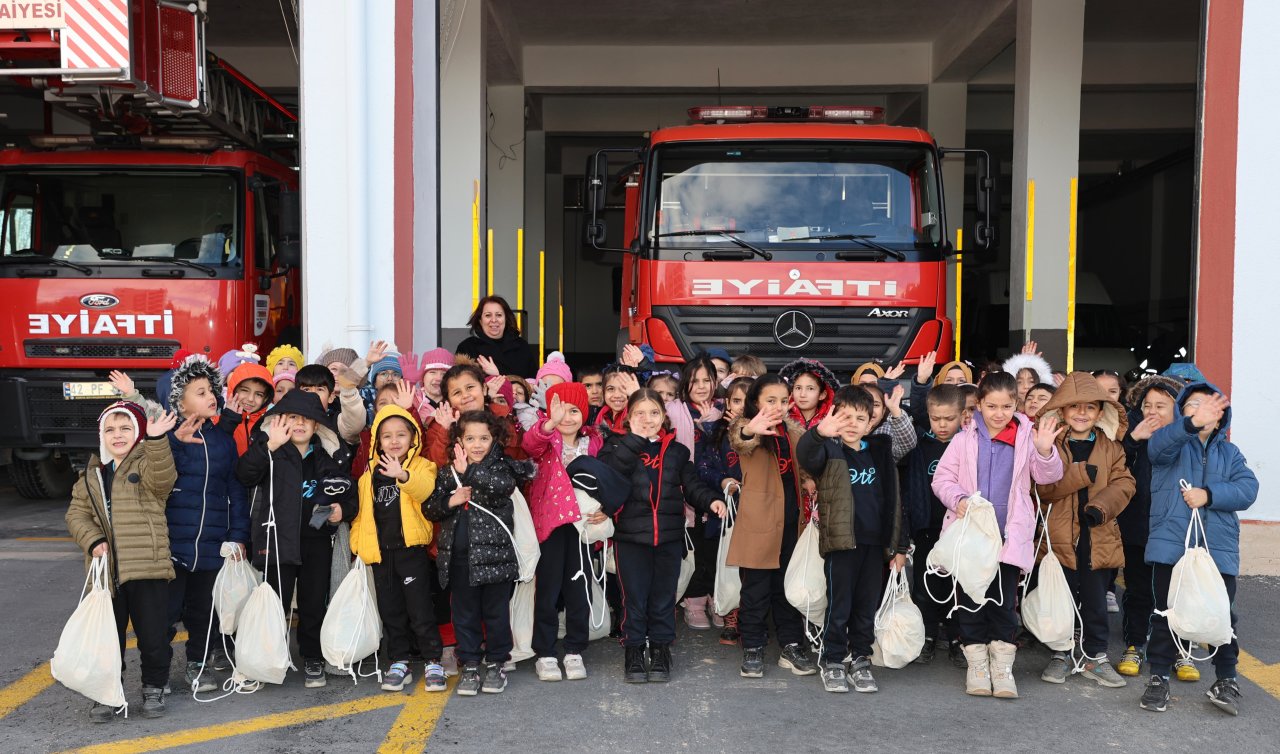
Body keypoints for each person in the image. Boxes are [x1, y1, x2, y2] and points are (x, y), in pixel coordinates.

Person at [931, 371, 1064, 699]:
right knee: (970, 602)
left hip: (1009, 535)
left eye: (1006, 406)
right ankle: (977, 665)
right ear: (980, 404)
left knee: (1004, 603)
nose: (999, 413)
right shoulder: (965, 438)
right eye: (992, 406)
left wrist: (1046, 451)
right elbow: (942, 479)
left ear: (1015, 404)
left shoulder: (1027, 437)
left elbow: (1048, 476)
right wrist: (958, 499)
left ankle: (1002, 669)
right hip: (971, 536)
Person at [1140, 384, 1258, 716]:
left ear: (1222, 416)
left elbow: (1248, 489)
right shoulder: (1170, 443)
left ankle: (1226, 679)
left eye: (1208, 406)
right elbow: (1158, 450)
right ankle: (1159, 677)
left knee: (1223, 617)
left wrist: (1209, 494)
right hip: (1171, 545)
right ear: (1182, 413)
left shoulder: (1230, 453)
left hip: (1217, 549)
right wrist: (1189, 425)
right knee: (1165, 614)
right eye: (1192, 406)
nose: (1201, 411)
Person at [597, 389, 727, 683]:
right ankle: (633, 651)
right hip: (630, 538)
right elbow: (609, 475)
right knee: (635, 598)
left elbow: (692, 486)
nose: (647, 419)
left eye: (654, 413)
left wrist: (711, 501)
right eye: (639, 413)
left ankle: (660, 650)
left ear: (664, 417)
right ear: (628, 418)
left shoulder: (677, 451)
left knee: (663, 598)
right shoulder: (616, 446)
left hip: (668, 538)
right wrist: (634, 441)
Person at [66, 401, 180, 721]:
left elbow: (163, 479)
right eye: (110, 430)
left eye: (126, 428)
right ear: (101, 436)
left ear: (138, 432)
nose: (118, 435)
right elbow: (77, 514)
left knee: (154, 637)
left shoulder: (147, 463)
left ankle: (154, 687)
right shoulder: (91, 475)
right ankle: (107, 693)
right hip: (107, 573)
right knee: (106, 639)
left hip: (148, 567)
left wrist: (156, 440)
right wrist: (93, 540)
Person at [236, 389, 356, 689]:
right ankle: (267, 659)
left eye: (307, 419)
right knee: (273, 602)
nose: (299, 424)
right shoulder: (271, 449)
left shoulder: (328, 455)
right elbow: (244, 474)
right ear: (278, 421)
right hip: (276, 538)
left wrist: (344, 510)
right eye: (291, 418)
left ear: (318, 425)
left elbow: (349, 494)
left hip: (316, 541)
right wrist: (270, 446)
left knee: (313, 602)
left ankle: (312, 657)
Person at [148, 355, 251, 693]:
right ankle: (158, 675)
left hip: (212, 543)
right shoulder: (167, 439)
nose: (211, 397)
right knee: (164, 615)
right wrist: (175, 443)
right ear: (179, 400)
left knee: (203, 613)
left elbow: (234, 490)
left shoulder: (221, 440)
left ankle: (199, 664)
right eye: (200, 391)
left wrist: (237, 536)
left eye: (211, 390)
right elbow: (156, 482)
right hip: (173, 545)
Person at [797, 385, 909, 693]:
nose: (852, 424)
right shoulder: (830, 451)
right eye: (844, 417)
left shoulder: (879, 452)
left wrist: (899, 546)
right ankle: (833, 660)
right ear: (834, 416)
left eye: (860, 418)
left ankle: (860, 658)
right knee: (840, 605)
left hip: (875, 544)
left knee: (865, 606)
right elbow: (804, 454)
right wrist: (820, 431)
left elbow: (896, 501)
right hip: (842, 544)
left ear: (870, 422)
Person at [1034, 372, 1136, 688]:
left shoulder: (1111, 447)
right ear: (1060, 411)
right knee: (1060, 600)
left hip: (1097, 536)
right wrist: (1079, 474)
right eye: (1074, 406)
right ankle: (1061, 653)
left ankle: (1095, 656)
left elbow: (1125, 483)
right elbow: (1041, 490)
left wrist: (1100, 507)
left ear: (1100, 412)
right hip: (1059, 538)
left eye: (1090, 408)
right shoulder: (1049, 445)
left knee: (1095, 602)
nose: (1081, 413)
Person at [424, 410, 535, 696]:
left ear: (494, 440)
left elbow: (503, 487)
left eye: (483, 438)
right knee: (465, 615)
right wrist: (451, 499)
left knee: (496, 614)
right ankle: (471, 664)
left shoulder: (500, 468)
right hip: (460, 561)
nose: (476, 444)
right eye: (470, 438)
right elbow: (430, 508)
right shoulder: (448, 472)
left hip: (496, 561)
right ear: (459, 440)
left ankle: (497, 662)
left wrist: (468, 473)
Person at [350, 405, 446, 693]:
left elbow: (425, 490)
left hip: (411, 551)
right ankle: (399, 660)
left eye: (401, 435)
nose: (394, 441)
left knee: (419, 608)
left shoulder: (421, 466)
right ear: (377, 442)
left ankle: (432, 660)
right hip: (381, 553)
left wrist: (402, 475)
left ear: (413, 438)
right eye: (387, 436)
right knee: (391, 609)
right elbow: (361, 516)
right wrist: (358, 545)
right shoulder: (368, 476)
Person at [728, 375, 818, 680]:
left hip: (792, 524)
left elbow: (805, 467)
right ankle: (752, 647)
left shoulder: (793, 432)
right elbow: (740, 439)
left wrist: (809, 480)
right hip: (759, 524)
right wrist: (750, 429)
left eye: (783, 400)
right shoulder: (748, 427)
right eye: (770, 400)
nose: (778, 407)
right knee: (755, 590)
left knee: (787, 589)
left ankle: (791, 645)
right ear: (756, 402)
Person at [522, 382, 602, 681]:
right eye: (561, 411)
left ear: (585, 413)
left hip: (582, 526)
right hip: (551, 525)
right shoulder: (547, 439)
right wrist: (549, 424)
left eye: (574, 411)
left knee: (578, 587)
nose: (568, 418)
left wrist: (607, 508)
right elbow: (530, 444)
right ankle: (544, 652)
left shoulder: (593, 443)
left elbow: (605, 479)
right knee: (548, 589)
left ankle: (574, 649)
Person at [1116, 375, 1183, 680]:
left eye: (1162, 405)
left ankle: (1180, 649)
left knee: (1174, 593)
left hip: (1175, 529)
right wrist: (1132, 440)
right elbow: (1113, 469)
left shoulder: (1188, 438)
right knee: (1139, 589)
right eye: (1147, 405)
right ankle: (1134, 644)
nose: (1153, 411)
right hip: (1137, 525)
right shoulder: (1131, 431)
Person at [902, 384, 967, 668]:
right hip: (927, 526)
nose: (942, 425)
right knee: (927, 585)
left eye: (949, 419)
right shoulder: (919, 443)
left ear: (962, 416)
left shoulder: (967, 444)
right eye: (936, 418)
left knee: (957, 584)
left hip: (959, 528)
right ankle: (927, 636)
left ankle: (956, 639)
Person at [695, 376, 752, 644]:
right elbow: (704, 467)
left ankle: (751, 618)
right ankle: (731, 617)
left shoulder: (767, 432)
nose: (741, 406)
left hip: (758, 510)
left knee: (753, 569)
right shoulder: (716, 432)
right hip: (727, 511)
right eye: (736, 400)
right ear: (727, 402)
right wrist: (723, 480)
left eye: (747, 400)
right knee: (729, 567)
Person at [672, 355, 723, 630]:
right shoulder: (674, 411)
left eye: (707, 380)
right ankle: (694, 603)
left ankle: (718, 600)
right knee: (694, 548)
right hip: (687, 492)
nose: (701, 386)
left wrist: (713, 425)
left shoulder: (725, 409)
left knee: (717, 551)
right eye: (695, 381)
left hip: (719, 492)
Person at [455, 295, 538, 377]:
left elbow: (532, 382)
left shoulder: (522, 346)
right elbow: (462, 383)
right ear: (480, 320)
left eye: (499, 315)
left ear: (506, 318)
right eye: (488, 315)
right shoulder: (467, 347)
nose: (494, 320)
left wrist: (499, 374)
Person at [221, 362, 274, 455]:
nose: (250, 399)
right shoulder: (219, 422)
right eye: (245, 390)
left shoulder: (270, 425)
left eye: (258, 394)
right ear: (233, 389)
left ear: (265, 398)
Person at [780, 358, 839, 430]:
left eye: (810, 388)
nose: (802, 394)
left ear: (822, 395)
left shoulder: (832, 421)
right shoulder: (781, 419)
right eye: (798, 388)